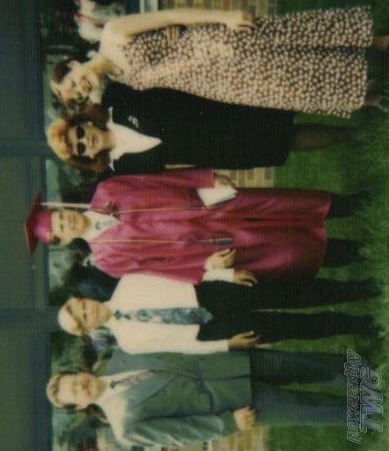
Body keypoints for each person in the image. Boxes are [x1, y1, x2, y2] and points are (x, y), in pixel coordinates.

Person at [25, 169, 364, 284]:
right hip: (207, 243)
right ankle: (353, 252)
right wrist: (210, 269)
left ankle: (348, 206)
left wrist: (205, 178)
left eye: (61, 215)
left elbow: (159, 180)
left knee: (279, 205)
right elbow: (162, 271)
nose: (67, 221)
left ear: (64, 207)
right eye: (61, 228)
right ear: (63, 240)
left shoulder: (108, 190)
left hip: (208, 203)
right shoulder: (107, 260)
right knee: (280, 249)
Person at [50, 7, 389, 117]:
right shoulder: (121, 81)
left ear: (74, 65)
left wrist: (224, 17)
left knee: (292, 41)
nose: (81, 88)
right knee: (292, 85)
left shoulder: (113, 34)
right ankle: (369, 92)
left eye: (73, 82)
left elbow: (171, 16)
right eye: (78, 95)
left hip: (218, 47)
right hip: (219, 82)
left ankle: (377, 42)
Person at [46, 349, 348, 447]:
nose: (81, 386)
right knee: (307, 408)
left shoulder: (119, 355)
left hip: (224, 364)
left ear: (79, 372)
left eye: (74, 381)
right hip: (230, 403)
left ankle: (364, 375)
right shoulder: (125, 426)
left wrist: (225, 344)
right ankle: (369, 411)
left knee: (301, 363)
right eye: (75, 393)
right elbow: (181, 432)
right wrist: (229, 424)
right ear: (81, 406)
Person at [47, 85, 362, 174]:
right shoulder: (122, 168)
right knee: (287, 141)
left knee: (286, 105)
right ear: (86, 157)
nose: (85, 141)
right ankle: (355, 134)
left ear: (82, 122)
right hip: (216, 150)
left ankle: (357, 97)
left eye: (78, 134)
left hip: (216, 110)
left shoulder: (117, 99)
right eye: (80, 149)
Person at [57, 273, 378, 354]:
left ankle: (358, 289)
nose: (88, 310)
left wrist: (224, 275)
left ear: (84, 298)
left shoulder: (129, 282)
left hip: (210, 293)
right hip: (210, 330)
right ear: (87, 330)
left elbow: (184, 269)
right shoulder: (129, 343)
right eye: (83, 318)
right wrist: (227, 345)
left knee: (288, 292)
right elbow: (181, 346)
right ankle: (357, 324)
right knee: (288, 326)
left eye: (82, 305)